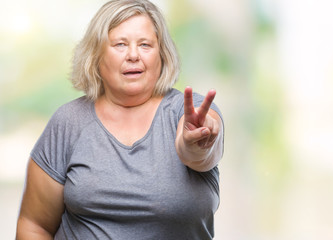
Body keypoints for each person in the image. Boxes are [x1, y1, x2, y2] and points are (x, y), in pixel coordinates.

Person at [16, 0, 224, 239]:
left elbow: (203, 153)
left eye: (145, 45)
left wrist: (195, 145)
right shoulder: (68, 122)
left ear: (162, 55)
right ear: (96, 56)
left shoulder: (191, 112)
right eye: (120, 44)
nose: (133, 55)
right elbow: (34, 226)